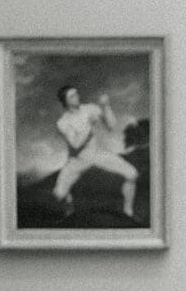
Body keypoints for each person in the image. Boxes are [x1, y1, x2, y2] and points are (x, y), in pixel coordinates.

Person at [52, 84, 139, 218]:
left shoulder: (90, 108)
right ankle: (68, 203)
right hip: (77, 160)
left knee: (132, 174)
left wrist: (106, 106)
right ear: (66, 101)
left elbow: (111, 126)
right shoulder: (62, 122)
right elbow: (75, 144)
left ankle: (128, 212)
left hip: (97, 154)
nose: (77, 97)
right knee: (59, 195)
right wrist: (89, 124)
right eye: (72, 96)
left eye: (76, 93)